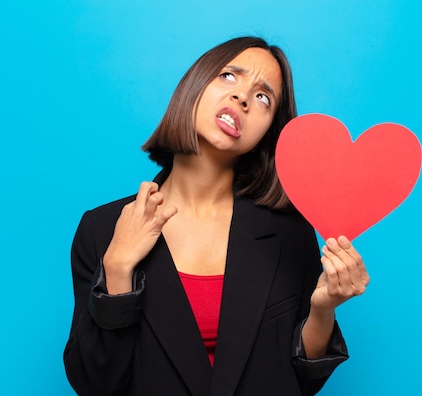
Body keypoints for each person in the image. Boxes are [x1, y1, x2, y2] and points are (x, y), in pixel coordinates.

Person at [63, 36, 370, 396]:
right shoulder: (101, 229)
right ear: (193, 86)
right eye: (228, 76)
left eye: (263, 97)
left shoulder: (290, 231)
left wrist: (322, 310)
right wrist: (117, 267)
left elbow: (300, 378)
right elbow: (94, 383)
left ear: (267, 133)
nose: (242, 97)